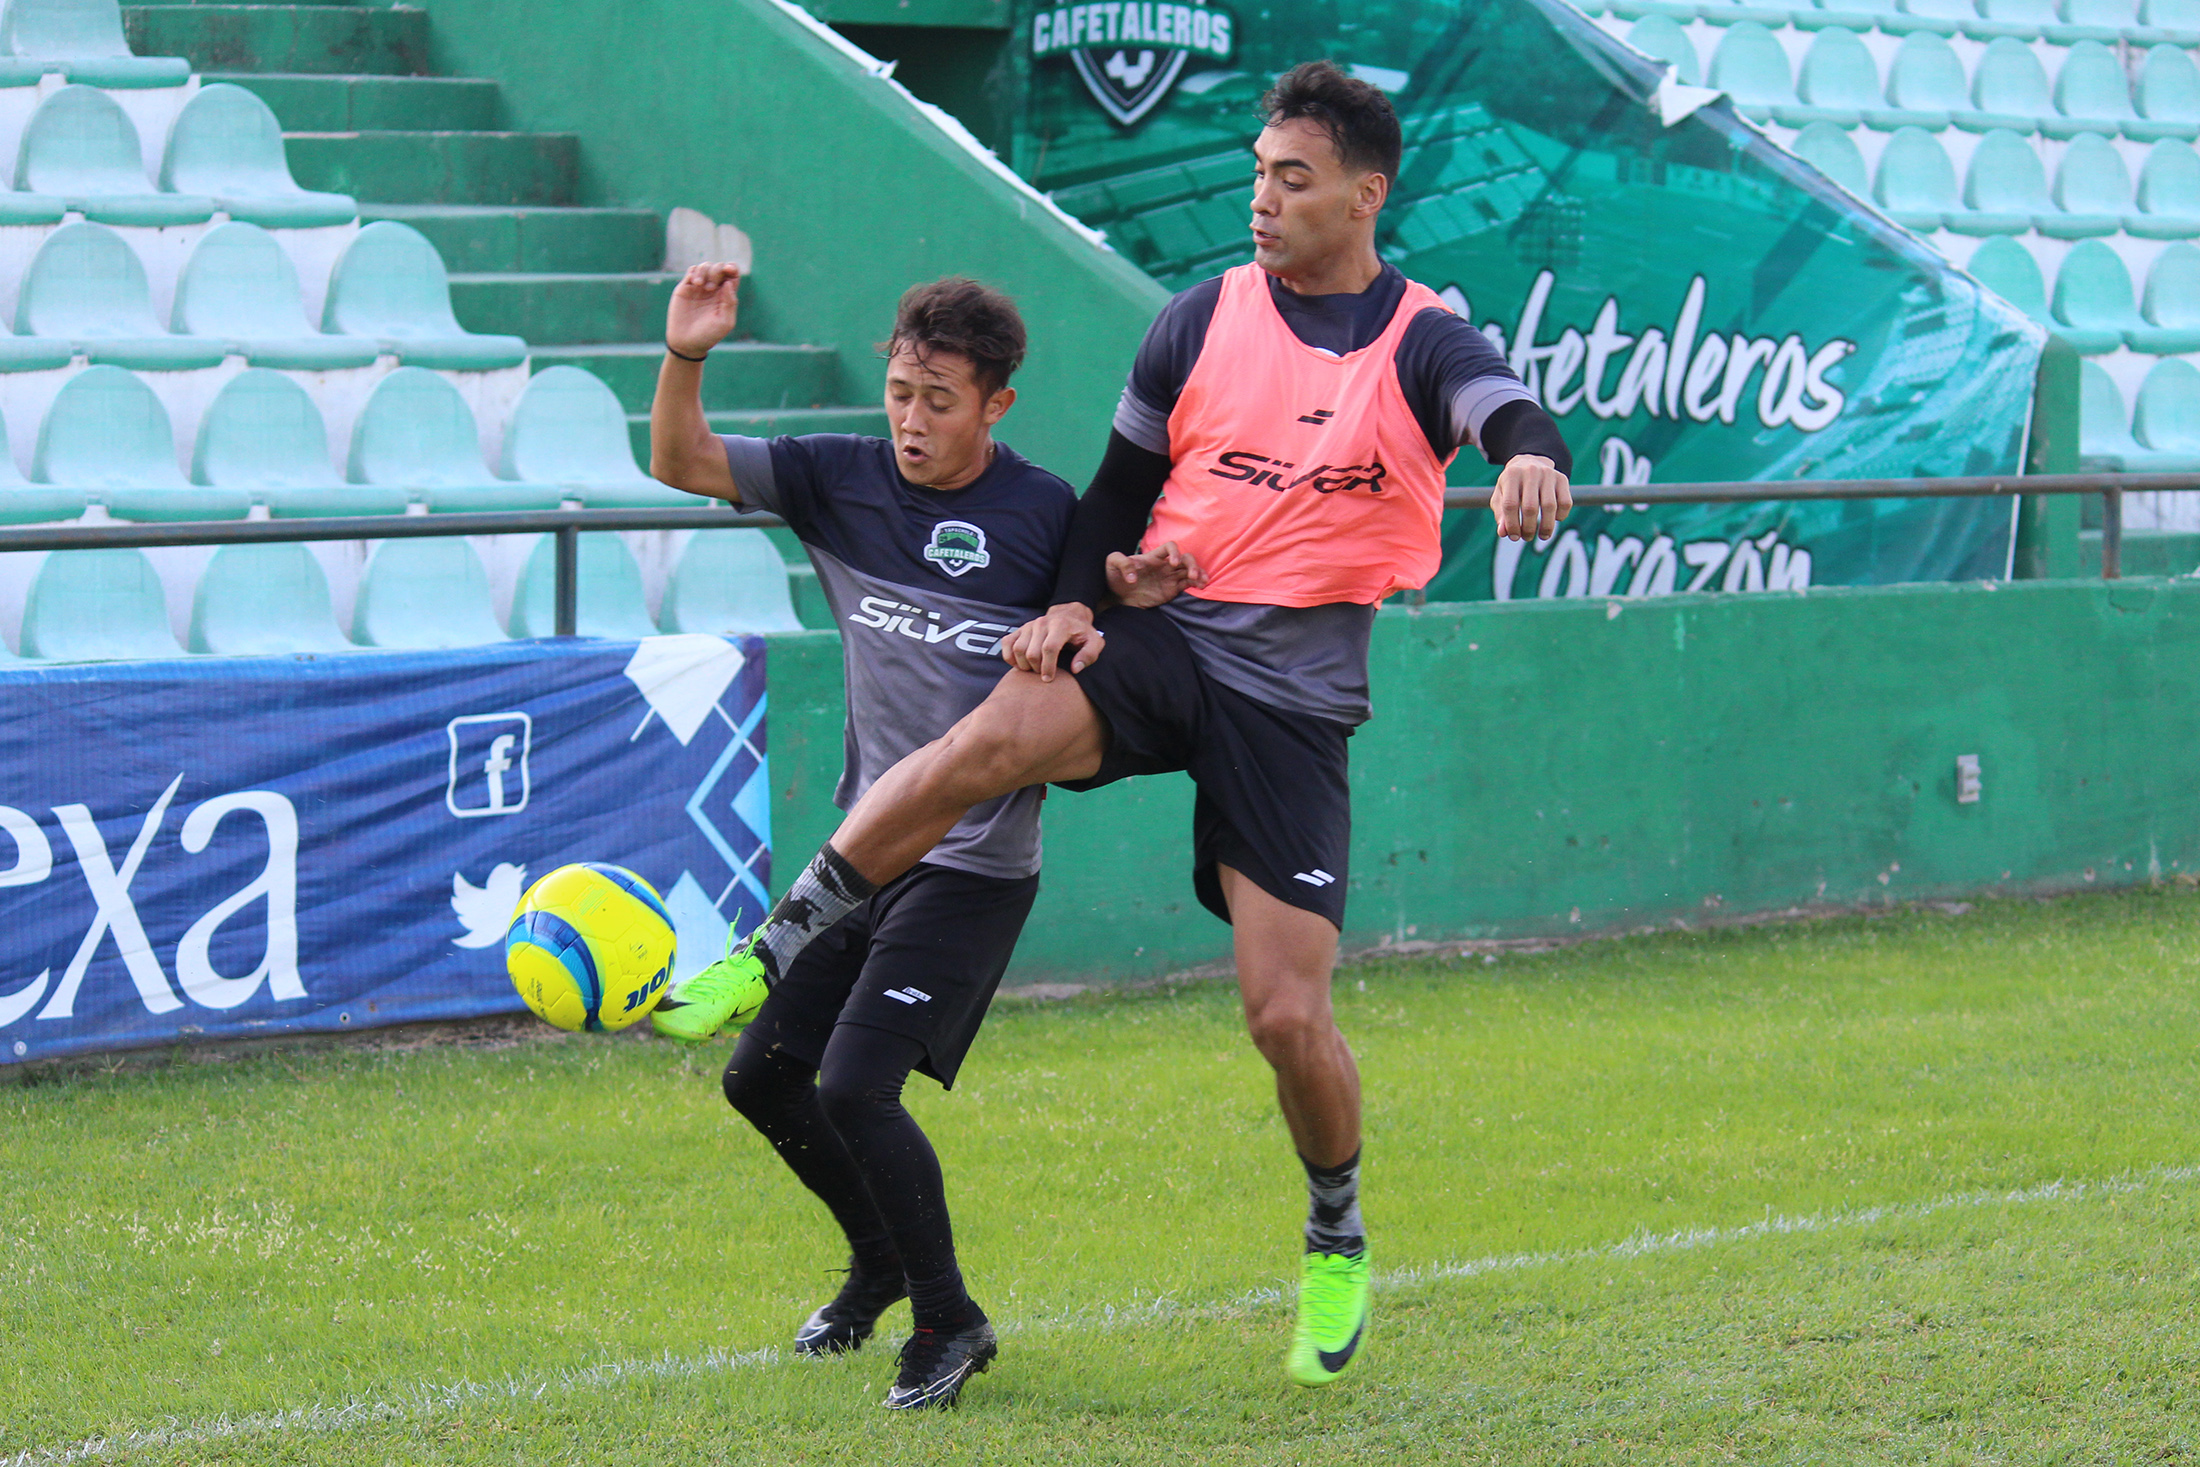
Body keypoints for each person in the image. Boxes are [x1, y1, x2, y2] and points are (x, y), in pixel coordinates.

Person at [662, 62, 1576, 1387]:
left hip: (1293, 705)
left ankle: (1335, 1228)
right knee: (987, 737)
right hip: (1165, 640)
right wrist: (1080, 600)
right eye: (1258, 171)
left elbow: (1503, 410)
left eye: (1293, 178)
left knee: (1283, 1014)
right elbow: (1117, 491)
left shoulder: (1422, 336)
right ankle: (778, 944)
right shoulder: (1198, 319)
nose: (1261, 198)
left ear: (1367, 195)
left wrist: (1532, 461)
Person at [647, 271, 1197, 1409]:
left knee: (855, 1087)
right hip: (861, 857)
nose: (910, 420)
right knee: (763, 1081)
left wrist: (1102, 604)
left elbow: (1122, 630)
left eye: (939, 400)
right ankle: (883, 1264)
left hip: (973, 869)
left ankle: (946, 1321)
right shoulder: (837, 476)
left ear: (996, 405)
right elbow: (681, 461)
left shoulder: (1049, 516)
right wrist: (686, 353)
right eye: (900, 391)